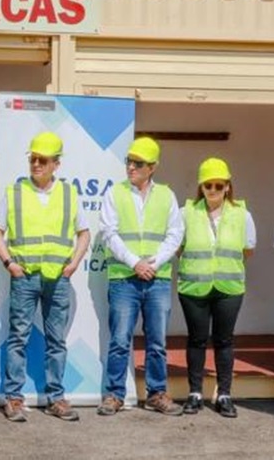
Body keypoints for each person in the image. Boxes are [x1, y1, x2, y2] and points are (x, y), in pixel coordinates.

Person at [0, 132, 90, 422]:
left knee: (56, 340)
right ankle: (14, 399)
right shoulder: (15, 192)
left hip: (58, 278)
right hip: (25, 276)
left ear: (56, 164)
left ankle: (56, 398)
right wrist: (9, 263)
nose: (35, 164)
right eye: (32, 159)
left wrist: (73, 263)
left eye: (42, 160)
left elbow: (84, 233)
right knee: (18, 338)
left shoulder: (69, 194)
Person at [97, 136, 184, 417]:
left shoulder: (167, 195)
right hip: (124, 278)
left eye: (138, 163)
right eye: (129, 161)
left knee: (157, 341)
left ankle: (156, 394)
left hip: (157, 278)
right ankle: (114, 395)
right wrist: (136, 263)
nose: (131, 167)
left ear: (153, 167)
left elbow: (175, 234)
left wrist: (154, 263)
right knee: (120, 340)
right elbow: (109, 234)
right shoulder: (115, 193)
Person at [177, 158, 255, 418]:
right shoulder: (185, 212)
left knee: (224, 340)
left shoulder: (242, 215)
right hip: (193, 287)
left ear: (228, 187)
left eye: (218, 185)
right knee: (197, 339)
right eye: (207, 185)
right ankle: (195, 393)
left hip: (229, 287)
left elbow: (247, 249)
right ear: (201, 187)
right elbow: (178, 247)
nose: (213, 190)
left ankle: (224, 395)